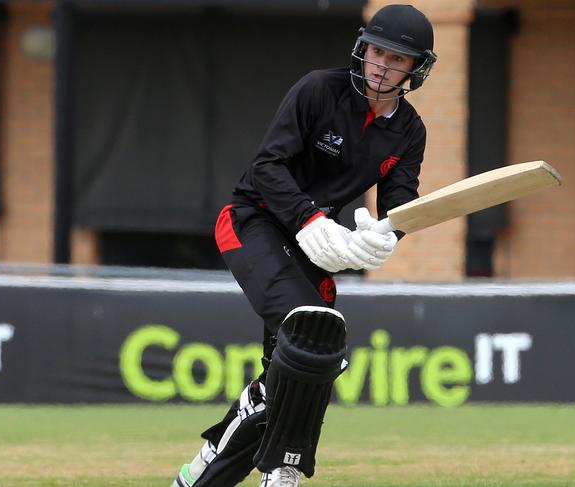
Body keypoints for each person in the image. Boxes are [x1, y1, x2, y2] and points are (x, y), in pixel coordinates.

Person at [171, 4, 437, 487]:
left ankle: (240, 470)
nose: (382, 65)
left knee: (308, 361)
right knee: (310, 330)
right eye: (377, 52)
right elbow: (267, 166)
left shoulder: (410, 130)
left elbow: (400, 200)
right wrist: (309, 216)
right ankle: (272, 467)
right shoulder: (320, 89)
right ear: (362, 49)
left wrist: (385, 236)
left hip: (313, 244)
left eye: (397, 59)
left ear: (415, 69)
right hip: (253, 221)